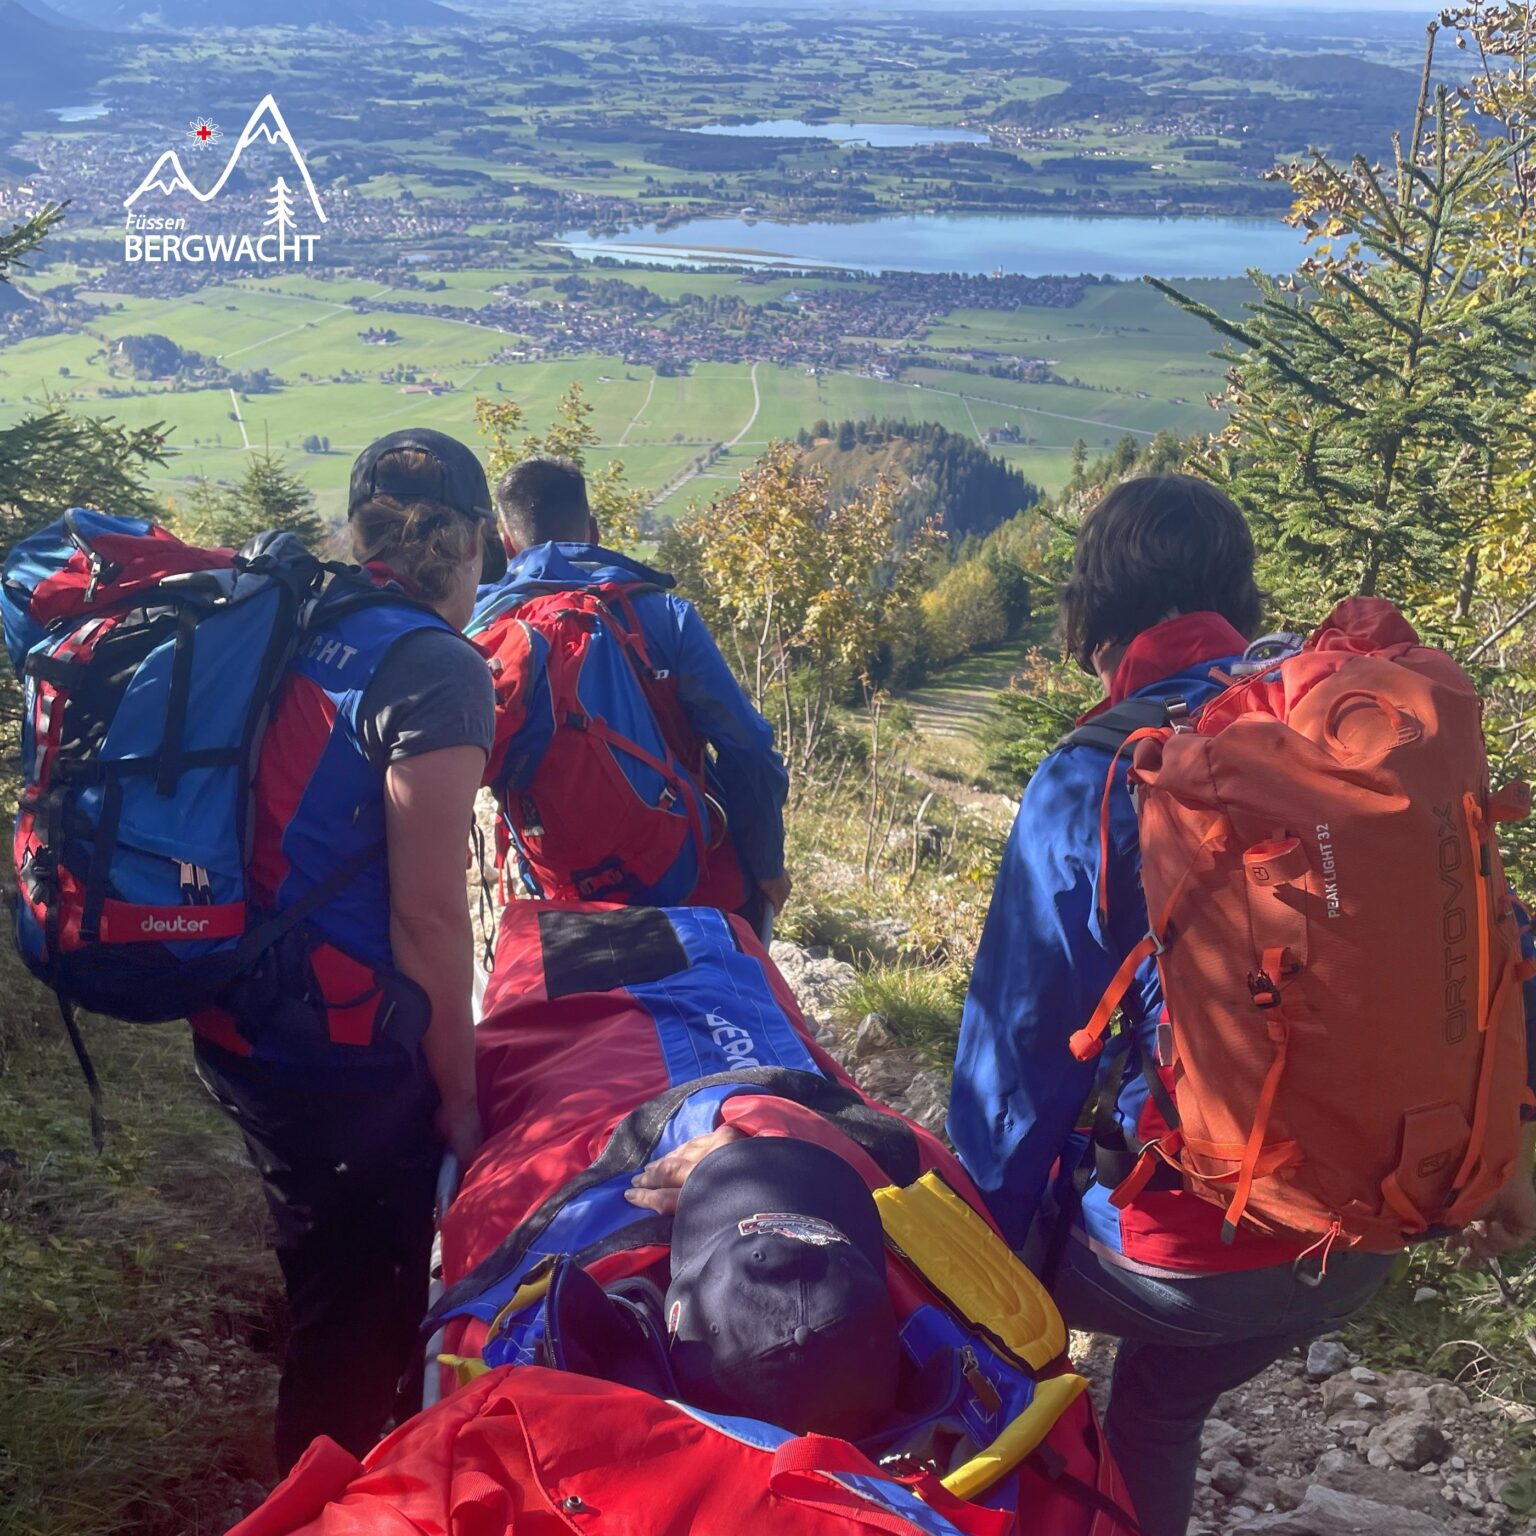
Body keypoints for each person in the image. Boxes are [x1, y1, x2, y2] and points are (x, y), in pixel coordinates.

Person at [946, 474, 1536, 1536]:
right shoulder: (1347, 735)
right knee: (1163, 1407)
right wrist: (1519, 1137)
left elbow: (1016, 1055)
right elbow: (1502, 935)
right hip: (1373, 1227)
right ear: (1240, 598)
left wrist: (979, 1275)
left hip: (1180, 1261)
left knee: (946, 1265)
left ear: (1093, 611)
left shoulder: (1099, 772)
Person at [192, 428, 500, 1473]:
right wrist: (457, 1092)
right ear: (471, 546)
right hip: (336, 1046)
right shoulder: (437, 669)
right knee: (355, 1321)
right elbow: (429, 916)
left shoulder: (300, 613)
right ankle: (315, 1496)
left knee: (322, 1261)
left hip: (235, 1000)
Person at [484, 454, 789, 928]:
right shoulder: (665, 615)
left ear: (507, 544)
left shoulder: (489, 634)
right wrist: (768, 864)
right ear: (594, 530)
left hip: (560, 894)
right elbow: (748, 748)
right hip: (685, 882)